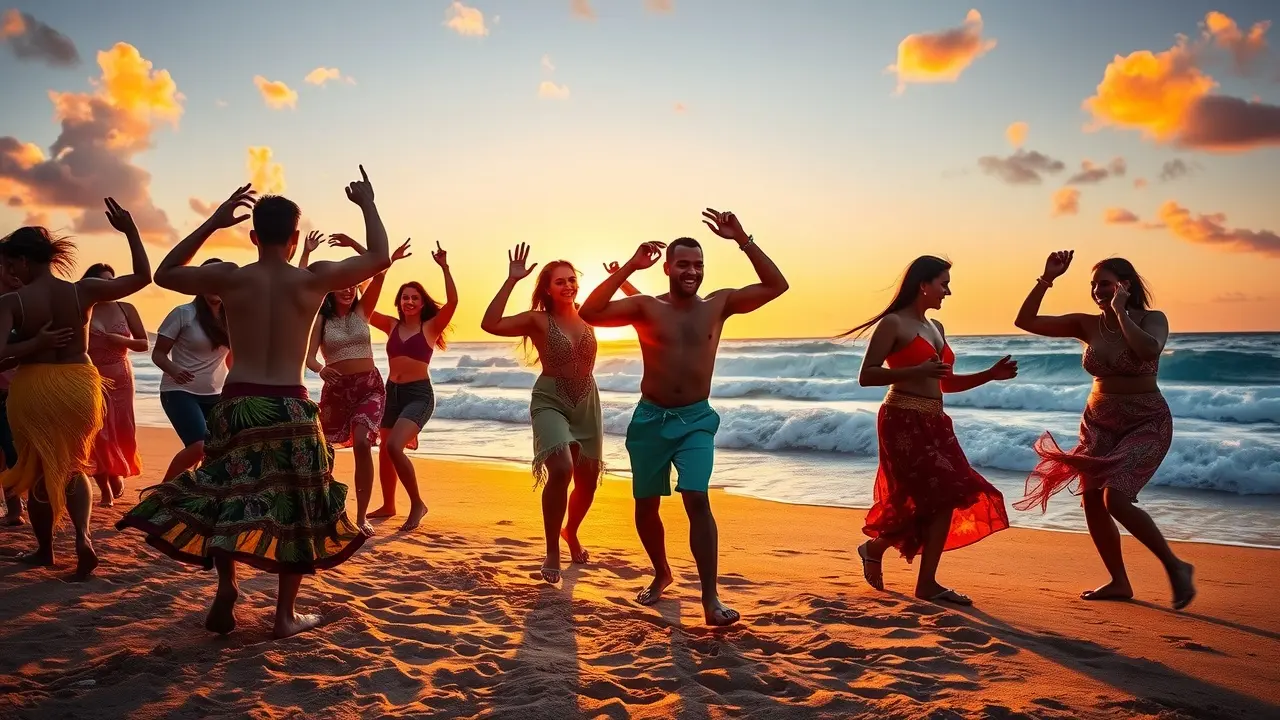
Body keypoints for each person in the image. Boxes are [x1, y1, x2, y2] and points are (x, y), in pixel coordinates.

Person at [117, 168, 390, 639]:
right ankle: (284, 616)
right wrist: (366, 203)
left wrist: (211, 224)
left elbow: (165, 273)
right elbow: (380, 257)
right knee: (297, 508)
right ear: (296, 237)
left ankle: (228, 584)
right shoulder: (312, 281)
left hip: (238, 404)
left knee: (228, 496)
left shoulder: (230, 279)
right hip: (289, 408)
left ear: (253, 234)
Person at [578, 209, 788, 627]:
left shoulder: (720, 303)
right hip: (650, 420)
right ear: (668, 268)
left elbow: (775, 285)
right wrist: (631, 268)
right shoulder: (645, 307)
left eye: (698, 265)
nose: (692, 272)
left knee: (696, 495)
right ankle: (661, 573)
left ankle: (710, 599)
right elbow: (592, 312)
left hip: (696, 420)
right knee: (646, 504)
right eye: (684, 265)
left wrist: (742, 238)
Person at [1012, 251, 1195, 610]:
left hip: (1147, 421)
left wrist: (1122, 312)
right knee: (1093, 500)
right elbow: (1025, 320)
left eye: (1105, 284)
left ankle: (1176, 566)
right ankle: (1119, 581)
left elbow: (1147, 350)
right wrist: (1047, 278)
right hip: (1099, 424)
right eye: (1093, 285)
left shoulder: (1152, 319)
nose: (1097, 291)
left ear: (1125, 286)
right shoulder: (1086, 324)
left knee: (1116, 499)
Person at [849, 256, 1016, 606]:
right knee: (942, 495)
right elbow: (867, 375)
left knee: (939, 497)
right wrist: (914, 371)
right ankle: (927, 584)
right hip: (901, 420)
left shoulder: (936, 327)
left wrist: (988, 374)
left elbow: (946, 384)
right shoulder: (893, 324)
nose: (948, 291)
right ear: (923, 284)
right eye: (944, 283)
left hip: (936, 421)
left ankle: (875, 547)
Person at [0, 199, 152, 578]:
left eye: (8, 263)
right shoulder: (82, 291)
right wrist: (131, 231)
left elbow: (0, 351)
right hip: (80, 383)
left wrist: (34, 344)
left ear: (22, 261)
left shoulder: (12, 301)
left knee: (35, 465)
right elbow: (141, 279)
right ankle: (83, 538)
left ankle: (45, 550)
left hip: (35, 384)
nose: (6, 270)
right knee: (73, 465)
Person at [480, 244, 638, 584]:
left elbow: (642, 312)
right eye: (560, 282)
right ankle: (552, 549)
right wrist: (510, 281)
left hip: (586, 401)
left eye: (572, 280)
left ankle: (571, 532)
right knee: (562, 467)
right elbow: (490, 323)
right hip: (550, 399)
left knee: (588, 481)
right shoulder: (538, 320)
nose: (568, 286)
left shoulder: (591, 314)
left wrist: (622, 277)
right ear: (547, 289)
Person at [302, 231, 412, 535]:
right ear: (332, 290)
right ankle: (323, 508)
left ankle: (361, 516)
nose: (349, 289)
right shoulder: (322, 320)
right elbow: (309, 357)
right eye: (342, 285)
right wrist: (321, 370)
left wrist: (355, 246)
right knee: (325, 453)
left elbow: (378, 271)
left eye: (352, 284)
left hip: (369, 387)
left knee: (364, 442)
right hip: (337, 392)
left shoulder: (363, 312)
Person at [365, 243, 457, 532]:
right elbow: (364, 304)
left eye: (414, 298)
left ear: (422, 302)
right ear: (399, 301)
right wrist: (384, 264)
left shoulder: (430, 327)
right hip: (391, 392)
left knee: (394, 446)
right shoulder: (391, 326)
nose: (409, 301)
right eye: (405, 297)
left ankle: (417, 503)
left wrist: (445, 267)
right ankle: (389, 504)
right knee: (384, 450)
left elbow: (453, 303)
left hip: (418, 395)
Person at [152, 266, 231, 482]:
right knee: (199, 446)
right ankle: (162, 495)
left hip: (216, 394)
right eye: (209, 281)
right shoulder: (184, 313)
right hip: (179, 391)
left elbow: (231, 358)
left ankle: (195, 492)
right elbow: (158, 354)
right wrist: (173, 369)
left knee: (220, 449)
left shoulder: (231, 317)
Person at [83, 263, 148, 506]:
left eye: (112, 280)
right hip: (90, 376)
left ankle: (116, 471)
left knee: (122, 430)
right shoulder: (83, 307)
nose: (109, 285)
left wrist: (120, 339)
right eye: (103, 281)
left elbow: (143, 343)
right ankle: (105, 489)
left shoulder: (126, 307)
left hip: (121, 377)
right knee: (96, 433)